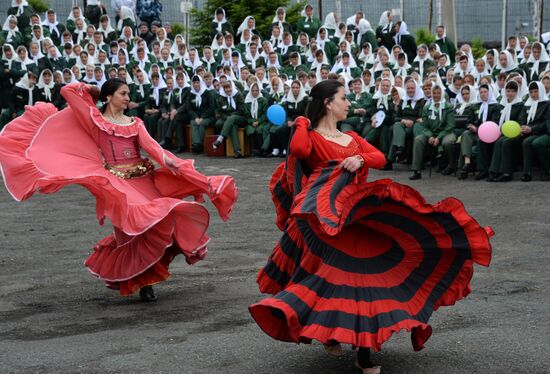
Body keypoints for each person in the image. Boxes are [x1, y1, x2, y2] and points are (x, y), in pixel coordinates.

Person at [249, 80, 493, 374]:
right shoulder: (310, 136)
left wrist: (359, 157)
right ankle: (331, 333)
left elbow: (380, 157)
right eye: (343, 98)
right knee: (333, 279)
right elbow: (298, 150)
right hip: (321, 220)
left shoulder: (351, 137)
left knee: (365, 278)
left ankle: (363, 353)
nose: (349, 103)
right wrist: (301, 120)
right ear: (328, 103)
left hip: (356, 216)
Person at [0, 78, 237, 301]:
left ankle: (147, 279)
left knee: (157, 220)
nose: (127, 98)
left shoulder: (136, 123)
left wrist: (169, 161)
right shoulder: (95, 119)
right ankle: (145, 284)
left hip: (143, 180)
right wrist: (94, 91)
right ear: (110, 96)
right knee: (131, 232)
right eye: (123, 94)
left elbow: (151, 147)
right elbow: (68, 91)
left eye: (128, 94)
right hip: (115, 183)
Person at [409, 85, 457, 180]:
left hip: (446, 132)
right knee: (418, 139)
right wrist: (430, 136)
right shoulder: (427, 108)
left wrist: (439, 137)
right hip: (431, 133)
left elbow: (450, 126)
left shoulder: (449, 107)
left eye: (438, 93)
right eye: (434, 93)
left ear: (442, 94)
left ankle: (451, 165)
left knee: (448, 142)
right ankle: (416, 170)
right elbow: (424, 126)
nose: (436, 95)